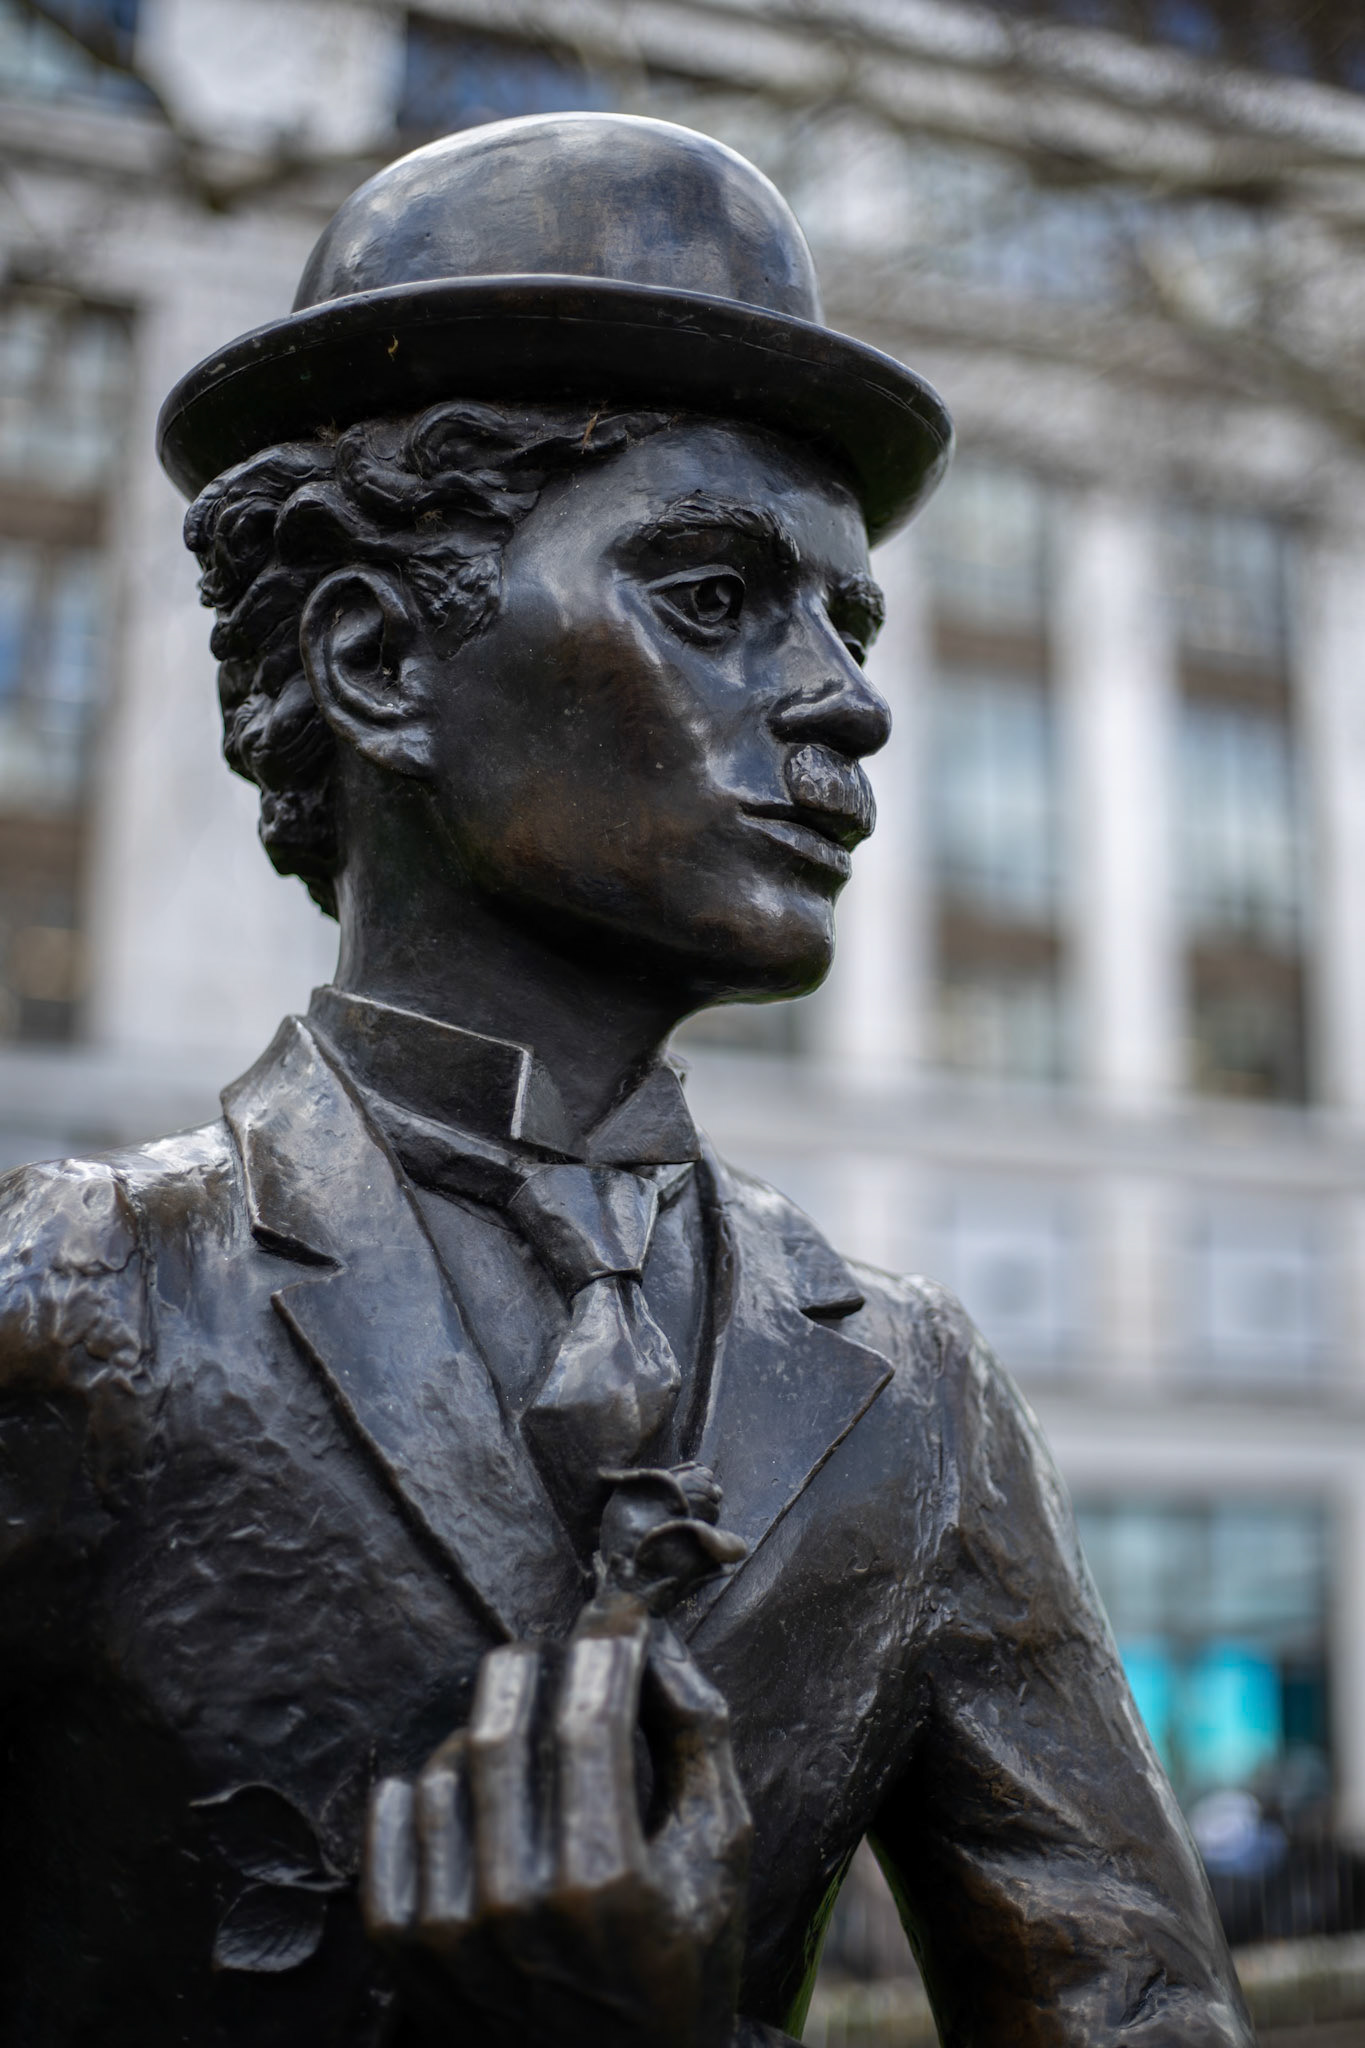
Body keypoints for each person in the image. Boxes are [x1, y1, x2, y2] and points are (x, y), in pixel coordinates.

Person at [0, 113, 1252, 2047]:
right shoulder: (71, 1309)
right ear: (375, 658)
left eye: (848, 617)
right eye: (713, 596)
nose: (849, 698)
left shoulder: (913, 1399)